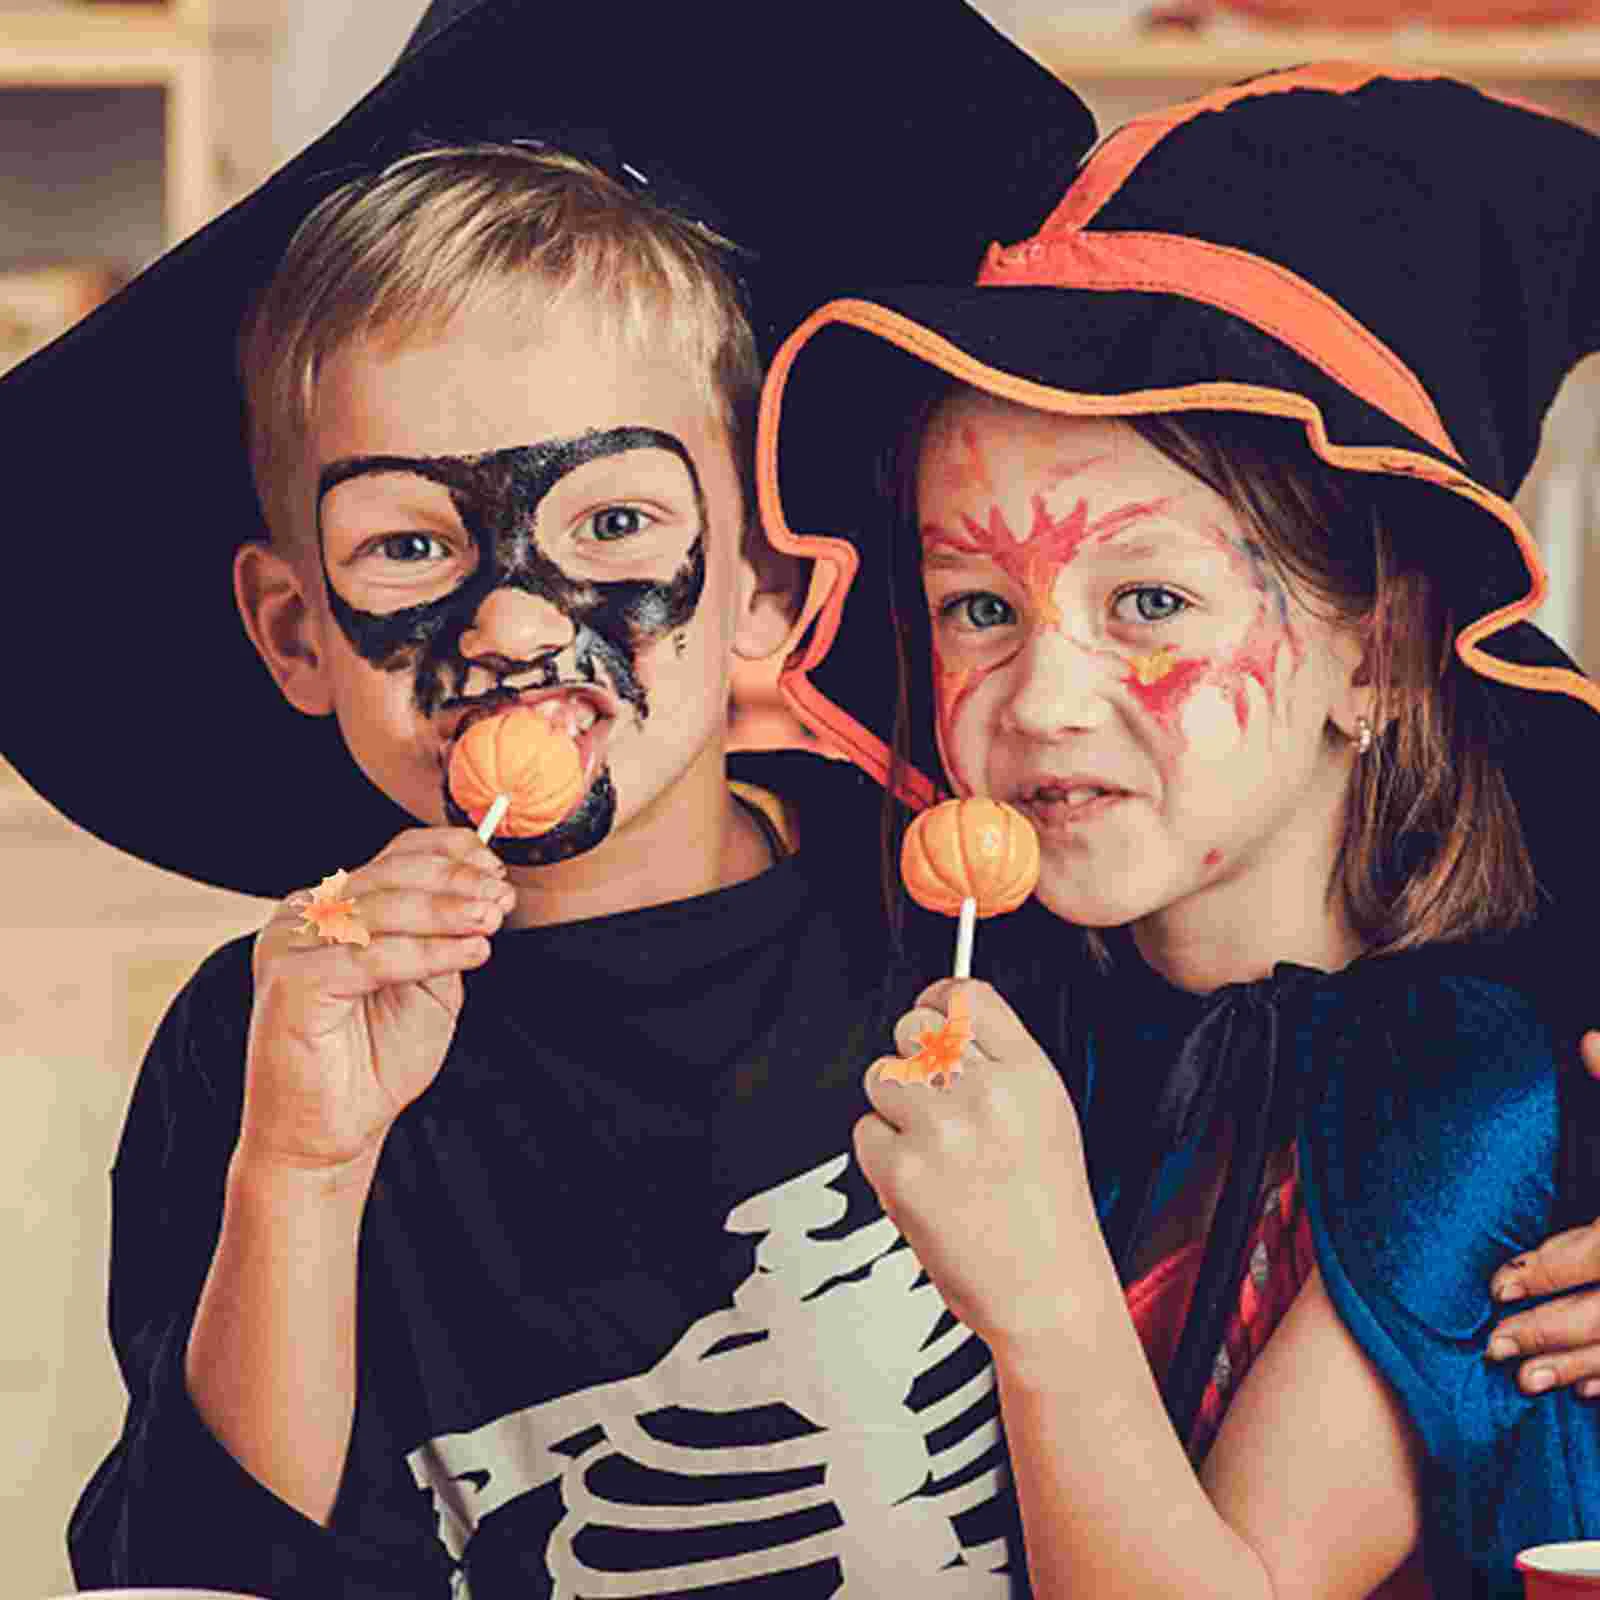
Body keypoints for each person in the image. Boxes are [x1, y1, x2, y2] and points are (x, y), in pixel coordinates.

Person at [0, 2, 1104, 1594]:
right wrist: (301, 1172)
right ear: (294, 631)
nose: (516, 623)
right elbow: (201, 1569)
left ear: (768, 588)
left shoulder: (979, 932)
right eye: (408, 545)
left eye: (613, 524)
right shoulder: (266, 1049)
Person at [751, 63, 1600, 1596]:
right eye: (978, 608)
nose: (1042, 700)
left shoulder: (1471, 1085)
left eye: (1149, 600)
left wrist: (1045, 1303)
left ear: (1379, 660)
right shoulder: (995, 1009)